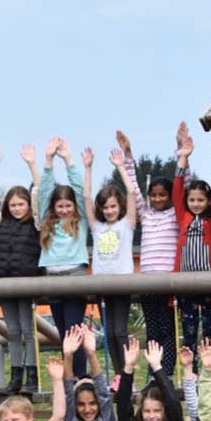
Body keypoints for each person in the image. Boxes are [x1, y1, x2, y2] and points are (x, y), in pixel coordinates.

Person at [0, 145, 42, 396]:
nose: (17, 208)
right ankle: (15, 377)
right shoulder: (1, 225)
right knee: (13, 331)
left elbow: (40, 195)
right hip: (5, 283)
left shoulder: (35, 223)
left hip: (26, 283)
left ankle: (31, 374)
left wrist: (32, 166)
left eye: (21, 204)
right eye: (13, 205)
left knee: (28, 330)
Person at [118, 128, 178, 375]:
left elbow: (183, 186)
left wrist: (181, 155)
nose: (157, 198)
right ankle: (154, 372)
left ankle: (168, 368)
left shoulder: (175, 216)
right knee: (153, 330)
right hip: (148, 280)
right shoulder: (146, 214)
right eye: (153, 195)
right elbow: (133, 189)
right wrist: (128, 155)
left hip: (169, 281)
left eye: (162, 194)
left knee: (168, 328)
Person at [173, 124, 211, 361]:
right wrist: (183, 157)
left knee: (209, 335)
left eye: (201, 200)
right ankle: (190, 372)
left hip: (208, 283)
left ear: (208, 202)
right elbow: (177, 189)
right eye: (192, 199)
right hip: (186, 283)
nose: (196, 203)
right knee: (188, 335)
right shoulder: (183, 216)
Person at [83, 146, 139, 382]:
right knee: (109, 333)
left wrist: (120, 167)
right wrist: (88, 167)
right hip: (102, 284)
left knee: (119, 332)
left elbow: (132, 193)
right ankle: (118, 375)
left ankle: (126, 373)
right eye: (105, 207)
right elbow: (86, 197)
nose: (109, 211)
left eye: (113, 206)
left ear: (120, 208)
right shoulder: (97, 227)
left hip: (122, 281)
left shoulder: (127, 224)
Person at [39, 137, 90, 379]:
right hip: (51, 277)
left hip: (75, 275)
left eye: (68, 205)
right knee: (62, 332)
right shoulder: (47, 222)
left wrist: (68, 160)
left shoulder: (80, 221)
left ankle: (79, 376)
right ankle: (70, 376)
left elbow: (80, 191)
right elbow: (45, 192)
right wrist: (48, 161)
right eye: (60, 206)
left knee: (73, 330)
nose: (64, 210)